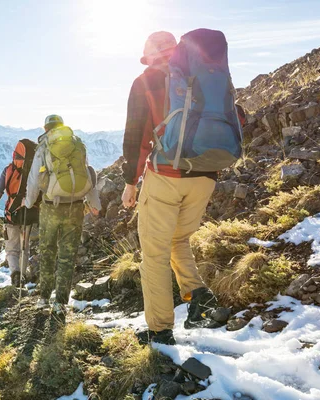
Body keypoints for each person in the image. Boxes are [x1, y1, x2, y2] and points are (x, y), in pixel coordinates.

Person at [121, 31, 227, 346]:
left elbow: (135, 136)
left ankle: (160, 331)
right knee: (178, 239)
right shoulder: (206, 75)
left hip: (166, 175)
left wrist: (130, 182)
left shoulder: (146, 80)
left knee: (153, 255)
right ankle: (200, 295)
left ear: (150, 51)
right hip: (205, 176)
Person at [25, 115, 101, 314]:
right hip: (75, 207)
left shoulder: (44, 146)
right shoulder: (77, 145)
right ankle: (60, 303)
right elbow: (86, 173)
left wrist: (30, 202)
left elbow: (34, 179)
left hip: (51, 207)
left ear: (46, 128)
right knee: (67, 256)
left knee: (48, 252)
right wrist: (94, 204)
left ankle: (43, 298)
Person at [0, 139, 39, 286]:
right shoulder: (35, 172)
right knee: (24, 248)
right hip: (29, 213)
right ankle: (22, 275)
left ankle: (15, 274)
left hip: (12, 213)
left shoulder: (8, 170)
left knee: (11, 248)